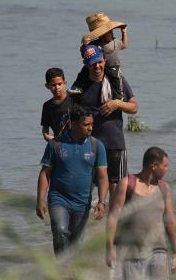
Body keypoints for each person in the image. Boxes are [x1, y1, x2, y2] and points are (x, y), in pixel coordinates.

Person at [106, 147, 176, 280]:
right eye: (165, 166)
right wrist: (110, 247)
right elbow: (113, 217)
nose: (167, 169)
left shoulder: (164, 188)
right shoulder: (127, 184)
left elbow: (170, 220)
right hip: (131, 255)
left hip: (158, 254)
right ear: (153, 166)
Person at [73, 44, 139, 214]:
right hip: (89, 145)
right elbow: (69, 111)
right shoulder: (80, 86)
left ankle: (115, 229)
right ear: (85, 64)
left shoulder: (115, 80)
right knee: (85, 185)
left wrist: (116, 103)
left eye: (100, 62)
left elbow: (134, 107)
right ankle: (84, 226)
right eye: (92, 63)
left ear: (104, 60)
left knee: (116, 188)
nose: (97, 66)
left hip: (115, 143)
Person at [36, 104, 109, 255]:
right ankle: (62, 270)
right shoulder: (55, 145)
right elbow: (45, 173)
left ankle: (72, 274)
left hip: (82, 202)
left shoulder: (97, 146)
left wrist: (101, 202)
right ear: (73, 124)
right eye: (86, 124)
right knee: (61, 232)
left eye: (92, 124)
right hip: (58, 199)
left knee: (77, 245)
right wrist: (40, 200)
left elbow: (102, 176)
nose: (90, 128)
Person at [69, 12, 128, 100]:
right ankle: (77, 86)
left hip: (113, 66)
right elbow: (85, 52)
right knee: (83, 72)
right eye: (109, 32)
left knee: (116, 79)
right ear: (102, 34)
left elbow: (124, 45)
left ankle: (119, 96)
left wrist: (124, 33)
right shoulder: (95, 44)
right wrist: (85, 45)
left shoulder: (115, 41)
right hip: (99, 65)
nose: (112, 33)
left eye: (111, 31)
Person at [41, 67, 71, 141]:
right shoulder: (47, 106)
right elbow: (45, 127)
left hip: (75, 141)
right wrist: (46, 135)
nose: (57, 87)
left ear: (64, 83)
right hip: (59, 142)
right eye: (53, 85)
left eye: (59, 84)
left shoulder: (74, 99)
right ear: (47, 86)